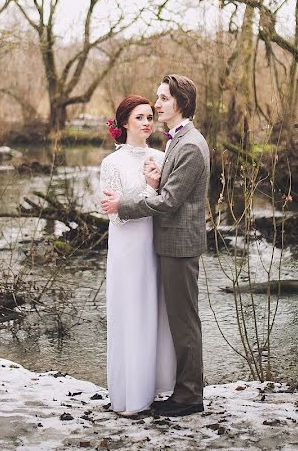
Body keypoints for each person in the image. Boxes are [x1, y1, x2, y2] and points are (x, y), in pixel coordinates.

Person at [101, 75, 209, 418]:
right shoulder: (176, 142)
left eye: (162, 99)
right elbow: (163, 192)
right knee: (172, 322)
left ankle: (189, 396)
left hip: (178, 244)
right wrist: (151, 185)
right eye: (152, 103)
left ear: (180, 101)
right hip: (156, 246)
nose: (156, 106)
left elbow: (169, 201)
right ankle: (174, 389)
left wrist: (127, 203)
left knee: (183, 322)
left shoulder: (189, 144)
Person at [98, 95, 176, 417]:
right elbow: (114, 216)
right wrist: (146, 189)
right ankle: (130, 395)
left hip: (154, 247)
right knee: (129, 315)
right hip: (126, 251)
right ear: (125, 122)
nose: (147, 123)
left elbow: (166, 204)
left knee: (154, 315)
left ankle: (158, 388)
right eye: (140, 118)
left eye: (149, 117)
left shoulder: (161, 156)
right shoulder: (111, 164)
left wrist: (149, 189)